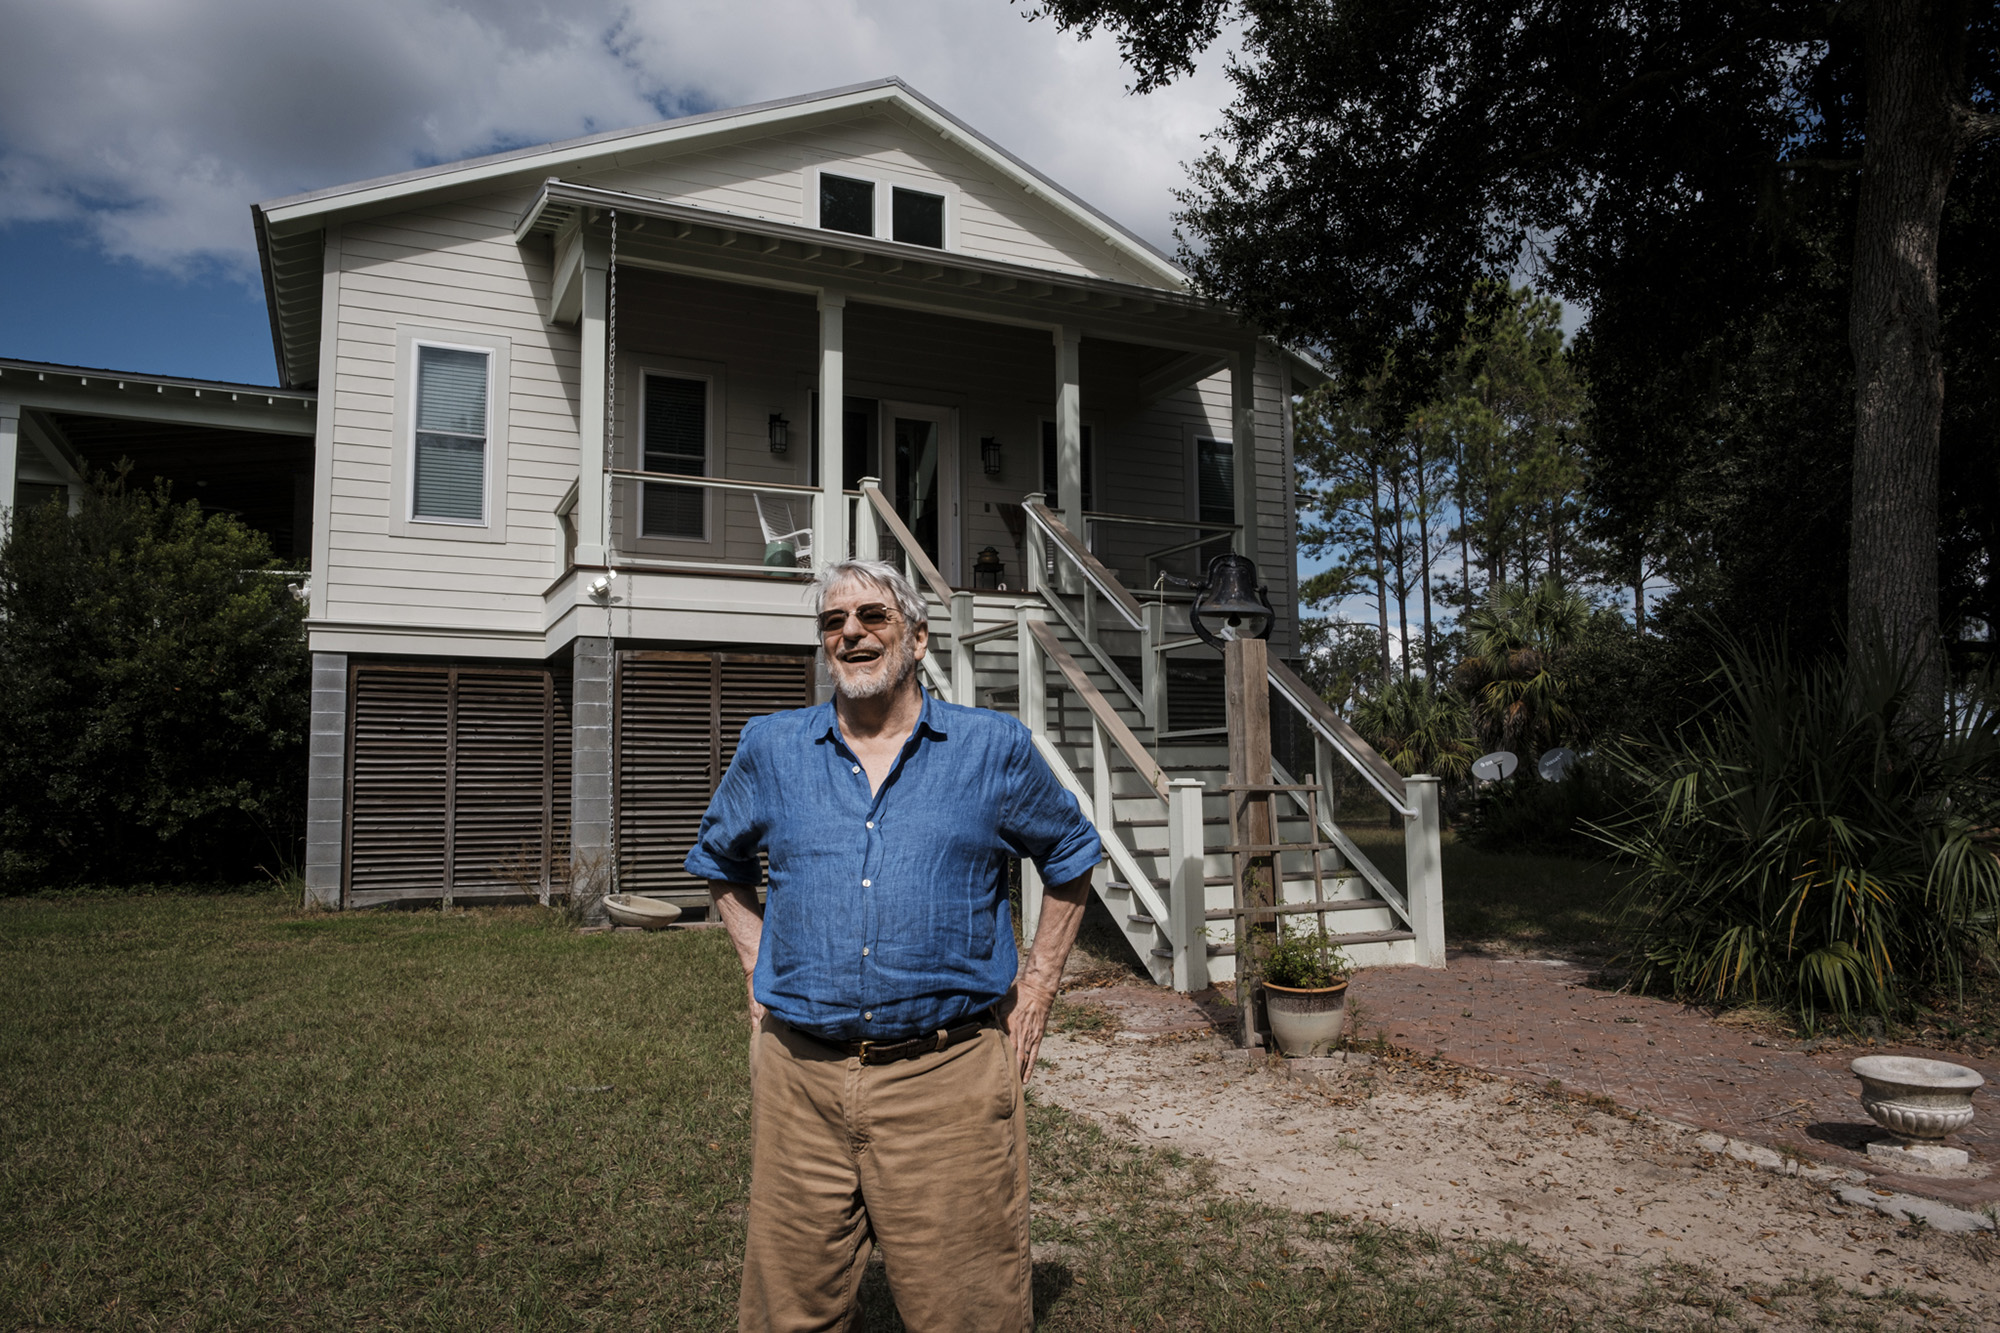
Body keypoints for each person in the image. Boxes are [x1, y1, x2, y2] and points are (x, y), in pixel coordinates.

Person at [685, 558, 1101, 1333]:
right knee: (788, 1306)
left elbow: (1071, 855)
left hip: (945, 1080)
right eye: (833, 622)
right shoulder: (772, 748)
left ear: (916, 635)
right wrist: (754, 966)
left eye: (872, 616)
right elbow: (720, 859)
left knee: (966, 1308)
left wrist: (1039, 987)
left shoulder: (991, 748)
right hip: (798, 1080)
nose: (850, 632)